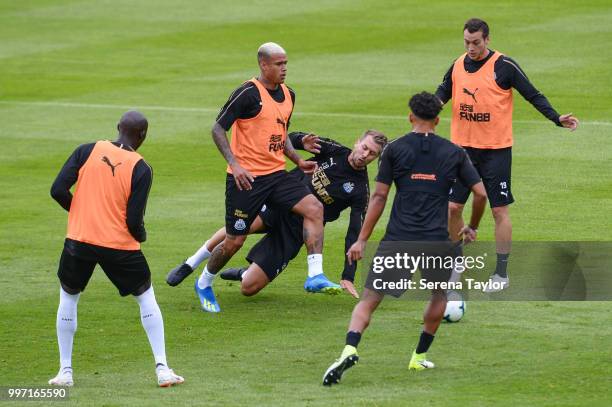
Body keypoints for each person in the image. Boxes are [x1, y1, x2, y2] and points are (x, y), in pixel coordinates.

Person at [322, 92, 487, 386]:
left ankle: (350, 348)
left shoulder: (394, 150)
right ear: (437, 120)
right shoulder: (454, 152)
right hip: (436, 241)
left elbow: (380, 196)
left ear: (410, 117)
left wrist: (361, 240)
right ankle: (418, 356)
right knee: (438, 295)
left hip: (398, 238)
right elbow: (480, 193)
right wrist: (471, 226)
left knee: (369, 300)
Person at [166, 42, 328, 313]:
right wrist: (235, 164)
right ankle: (204, 282)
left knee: (314, 208)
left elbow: (281, 134)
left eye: (286, 63)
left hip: (276, 175)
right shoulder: (247, 93)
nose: (284, 68)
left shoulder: (289, 94)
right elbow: (217, 129)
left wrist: (297, 160)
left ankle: (315, 275)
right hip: (246, 180)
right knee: (234, 241)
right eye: (279, 64)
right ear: (263, 65)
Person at [435, 18, 579, 292]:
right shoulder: (457, 65)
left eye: (476, 42)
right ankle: (456, 262)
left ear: (487, 40)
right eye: (467, 42)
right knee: (452, 208)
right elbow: (444, 90)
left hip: (495, 152)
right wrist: (432, 107)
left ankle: (501, 273)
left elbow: (532, 94)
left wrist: (556, 118)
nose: (471, 47)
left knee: (499, 210)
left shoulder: (504, 66)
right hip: (462, 151)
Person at [48, 111, 183, 387]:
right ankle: (162, 369)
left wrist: (81, 212)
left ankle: (65, 372)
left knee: (69, 297)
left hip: (79, 240)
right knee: (145, 298)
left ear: (118, 127)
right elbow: (134, 220)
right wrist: (141, 235)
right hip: (119, 246)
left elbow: (58, 190)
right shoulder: (141, 167)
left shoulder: (86, 150)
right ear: (143, 136)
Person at [185, 130, 387, 298]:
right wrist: (300, 141)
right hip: (279, 203)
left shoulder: (360, 191)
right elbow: (285, 138)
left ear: (375, 159)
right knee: (238, 231)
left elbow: (354, 232)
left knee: (248, 289)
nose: (364, 155)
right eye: (365, 147)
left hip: (298, 230)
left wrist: (347, 275)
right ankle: (191, 262)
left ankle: (244, 273)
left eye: (372, 154)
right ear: (357, 142)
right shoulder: (333, 150)